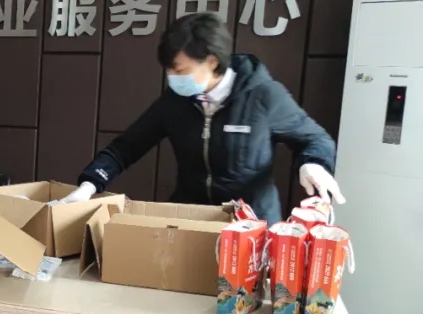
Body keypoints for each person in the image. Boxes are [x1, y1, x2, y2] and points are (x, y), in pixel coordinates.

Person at [61, 13, 342, 222]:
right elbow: (126, 147)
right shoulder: (176, 101)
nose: (173, 78)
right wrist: (89, 185)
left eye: (181, 71)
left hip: (251, 227)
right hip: (191, 220)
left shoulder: (263, 96)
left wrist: (313, 164)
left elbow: (315, 140)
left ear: (211, 61)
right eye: (169, 71)